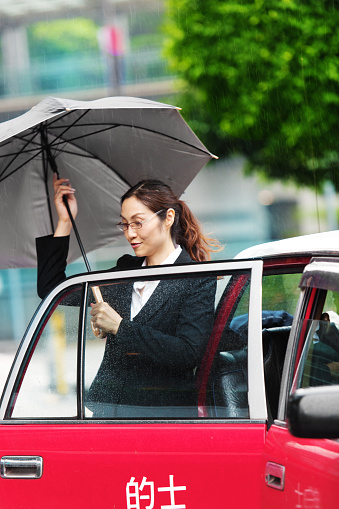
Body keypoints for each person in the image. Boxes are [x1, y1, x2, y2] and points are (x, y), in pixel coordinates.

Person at [36, 175, 220, 417]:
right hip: (109, 411)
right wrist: (64, 222)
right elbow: (52, 288)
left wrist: (120, 327)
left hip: (163, 418)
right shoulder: (125, 270)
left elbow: (187, 353)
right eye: (124, 224)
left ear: (169, 218)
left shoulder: (196, 277)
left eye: (138, 222)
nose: (130, 233)